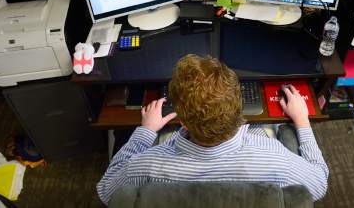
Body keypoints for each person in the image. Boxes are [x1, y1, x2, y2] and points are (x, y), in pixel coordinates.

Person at [97, 54, 328, 204]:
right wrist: (302, 121)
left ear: (184, 122)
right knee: (267, 128)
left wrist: (145, 132)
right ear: (239, 108)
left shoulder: (146, 166)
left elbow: (107, 189)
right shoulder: (276, 159)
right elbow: (319, 183)